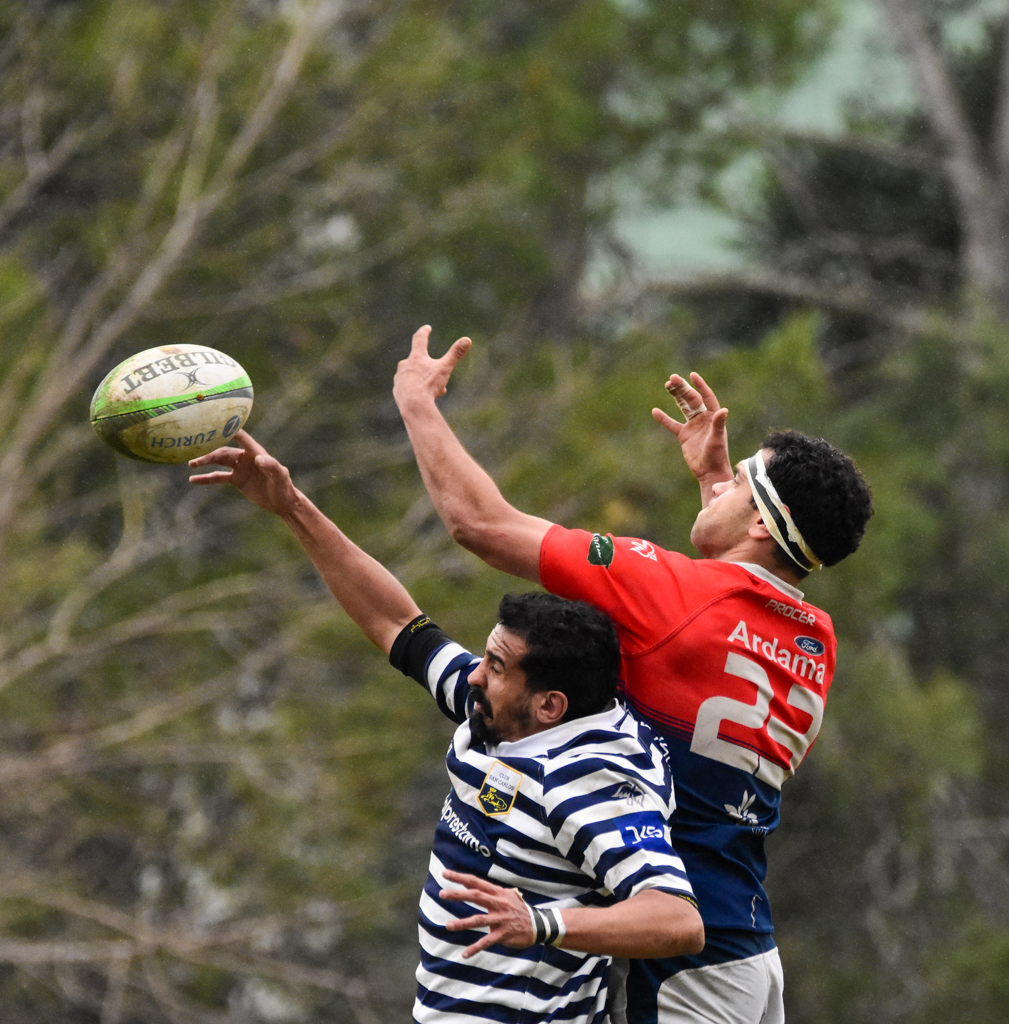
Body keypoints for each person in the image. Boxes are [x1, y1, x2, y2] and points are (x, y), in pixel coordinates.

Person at [391, 327, 874, 1024]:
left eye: (740, 479)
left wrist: (417, 404)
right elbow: (724, 609)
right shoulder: (814, 640)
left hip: (686, 962)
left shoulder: (669, 591)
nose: (723, 477)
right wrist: (717, 490)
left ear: (765, 523)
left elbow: (478, 524)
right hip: (746, 952)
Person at [188, 431, 704, 1024]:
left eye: (497, 667)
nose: (475, 676)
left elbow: (678, 919)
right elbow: (398, 624)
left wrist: (542, 922)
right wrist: (291, 507)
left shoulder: (593, 775)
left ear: (550, 706)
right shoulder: (499, 710)